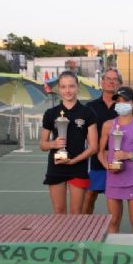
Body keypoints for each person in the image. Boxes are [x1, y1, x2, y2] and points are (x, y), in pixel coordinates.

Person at [40, 70, 98, 214]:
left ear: (77, 87)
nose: (68, 90)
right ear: (58, 89)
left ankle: (75, 238)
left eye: (71, 86)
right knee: (59, 211)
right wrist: (54, 144)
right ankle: (61, 238)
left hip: (78, 167)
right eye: (64, 87)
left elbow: (94, 147)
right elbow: (43, 144)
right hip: (56, 166)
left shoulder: (87, 113)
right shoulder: (50, 113)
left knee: (76, 212)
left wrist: (74, 160)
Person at [98, 87, 133, 233]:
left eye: (125, 101)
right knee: (113, 220)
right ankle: (113, 252)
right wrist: (107, 166)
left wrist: (129, 156)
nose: (121, 104)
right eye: (118, 101)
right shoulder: (108, 125)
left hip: (132, 180)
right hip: (113, 180)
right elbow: (100, 151)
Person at [82, 68, 123, 214]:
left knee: (114, 199)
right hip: (95, 159)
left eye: (115, 79)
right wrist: (98, 150)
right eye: (108, 78)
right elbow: (85, 131)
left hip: (117, 158)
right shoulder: (90, 107)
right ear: (102, 82)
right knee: (89, 196)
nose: (112, 82)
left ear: (118, 83)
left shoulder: (123, 107)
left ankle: (113, 232)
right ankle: (84, 230)